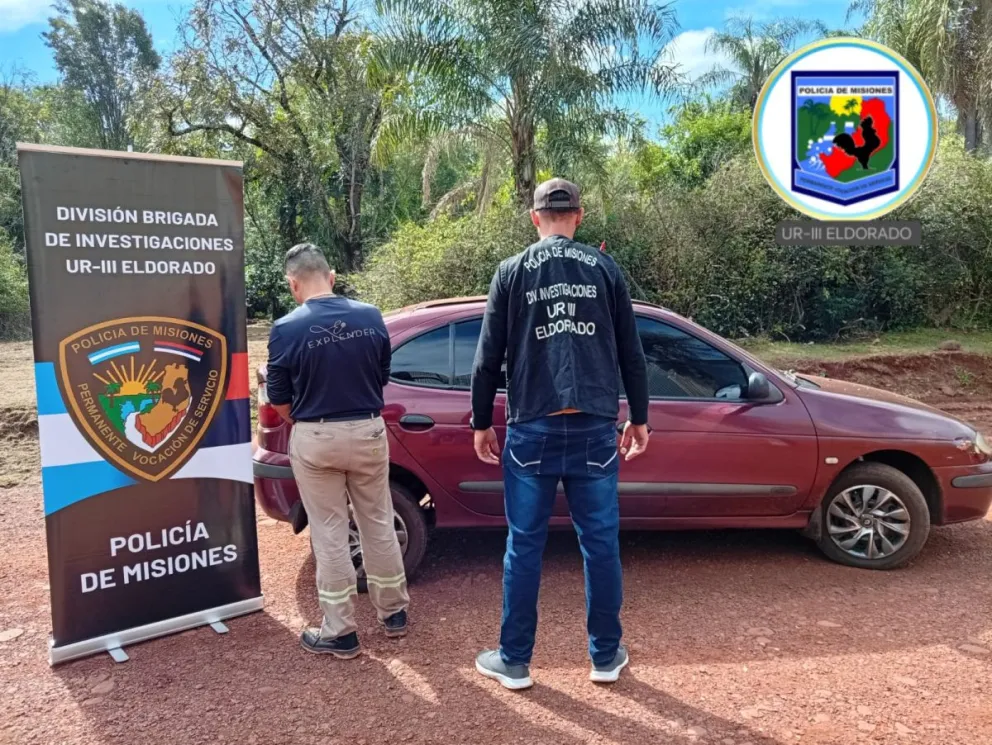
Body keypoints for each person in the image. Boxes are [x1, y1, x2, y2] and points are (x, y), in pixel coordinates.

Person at [470, 178, 650, 690]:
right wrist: (639, 417)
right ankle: (605, 656)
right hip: (594, 425)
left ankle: (514, 660)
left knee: (524, 546)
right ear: (579, 215)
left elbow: (487, 359)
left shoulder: (511, 272)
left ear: (535, 218)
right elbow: (631, 353)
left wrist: (481, 422)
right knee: (600, 544)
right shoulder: (605, 268)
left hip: (532, 426)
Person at [266, 243, 410, 658]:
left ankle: (341, 631)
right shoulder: (371, 316)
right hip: (368, 429)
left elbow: (278, 396)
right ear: (331, 277)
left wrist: (305, 421)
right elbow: (382, 375)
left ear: (293, 285)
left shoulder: (286, 328)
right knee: (378, 521)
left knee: (329, 531)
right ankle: (394, 614)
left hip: (316, 435)